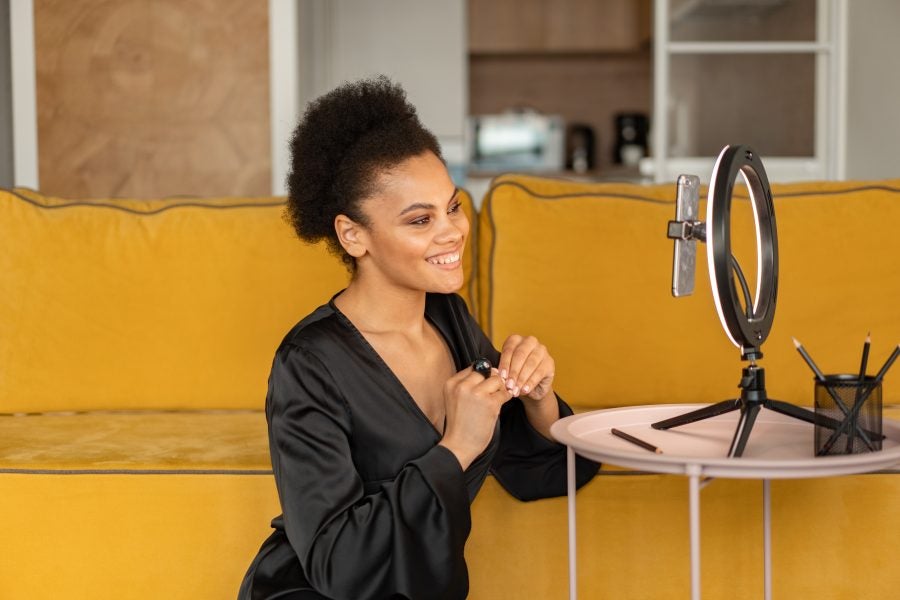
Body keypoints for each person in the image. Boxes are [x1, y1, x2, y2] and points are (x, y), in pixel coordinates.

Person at [238, 76, 597, 600]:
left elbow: (537, 474)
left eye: (452, 207)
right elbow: (338, 565)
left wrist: (539, 399)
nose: (451, 231)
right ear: (352, 235)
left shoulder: (449, 318)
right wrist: (456, 447)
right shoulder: (309, 364)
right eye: (420, 220)